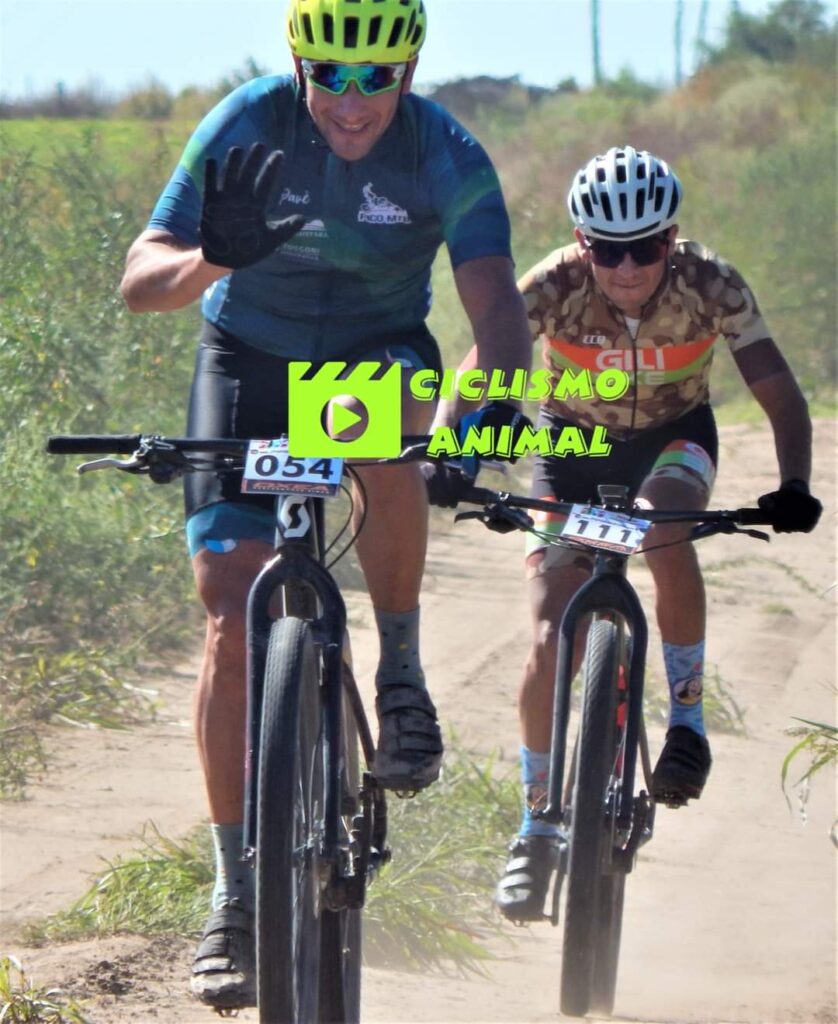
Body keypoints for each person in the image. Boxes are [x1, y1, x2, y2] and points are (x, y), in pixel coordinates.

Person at [119, 0, 532, 1008]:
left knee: (383, 432)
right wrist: (215, 257)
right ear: (298, 64)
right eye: (331, 75)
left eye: (376, 77)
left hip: (370, 356)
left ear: (410, 70)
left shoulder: (443, 150)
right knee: (230, 611)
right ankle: (233, 894)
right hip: (246, 360)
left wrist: (481, 415)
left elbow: (497, 313)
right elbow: (141, 282)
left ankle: (400, 674)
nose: (352, 101)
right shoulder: (247, 123)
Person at [426, 145, 822, 923]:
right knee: (549, 634)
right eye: (609, 251)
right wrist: (447, 451)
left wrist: (796, 485)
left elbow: (780, 394)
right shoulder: (552, 284)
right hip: (571, 446)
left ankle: (687, 724)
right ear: (583, 243)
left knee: (661, 526)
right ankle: (536, 823)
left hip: (675, 437)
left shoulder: (712, 282)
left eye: (646, 247)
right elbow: (473, 376)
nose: (629, 267)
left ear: (672, 237)